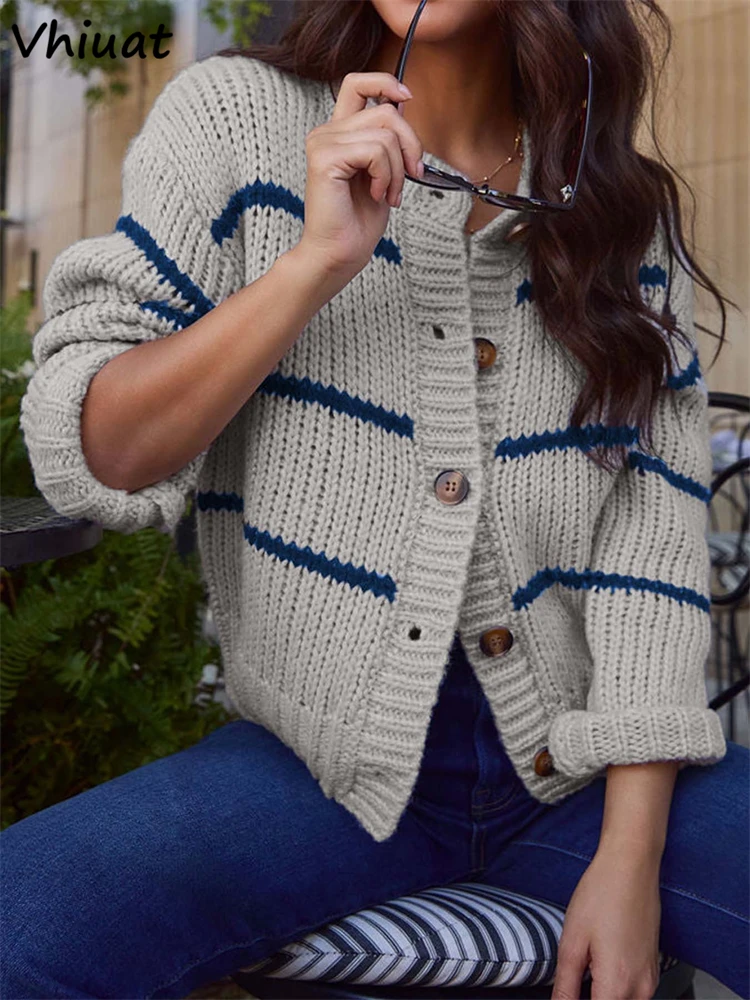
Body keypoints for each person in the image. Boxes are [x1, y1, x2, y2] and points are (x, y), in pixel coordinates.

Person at [2, 1, 748, 998]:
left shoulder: (611, 197)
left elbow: (648, 544)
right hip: (313, 771)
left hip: (583, 774)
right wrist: (314, 264)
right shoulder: (233, 118)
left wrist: (629, 859)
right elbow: (104, 450)